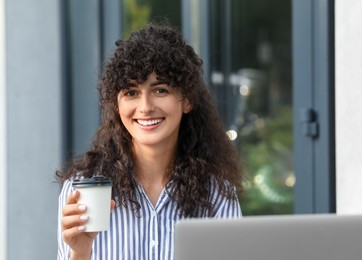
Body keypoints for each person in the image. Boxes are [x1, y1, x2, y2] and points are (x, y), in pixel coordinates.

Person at [56, 21, 243, 260]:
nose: (145, 108)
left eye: (160, 90)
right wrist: (79, 253)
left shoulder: (216, 193)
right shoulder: (81, 190)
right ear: (117, 105)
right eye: (131, 93)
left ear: (187, 101)